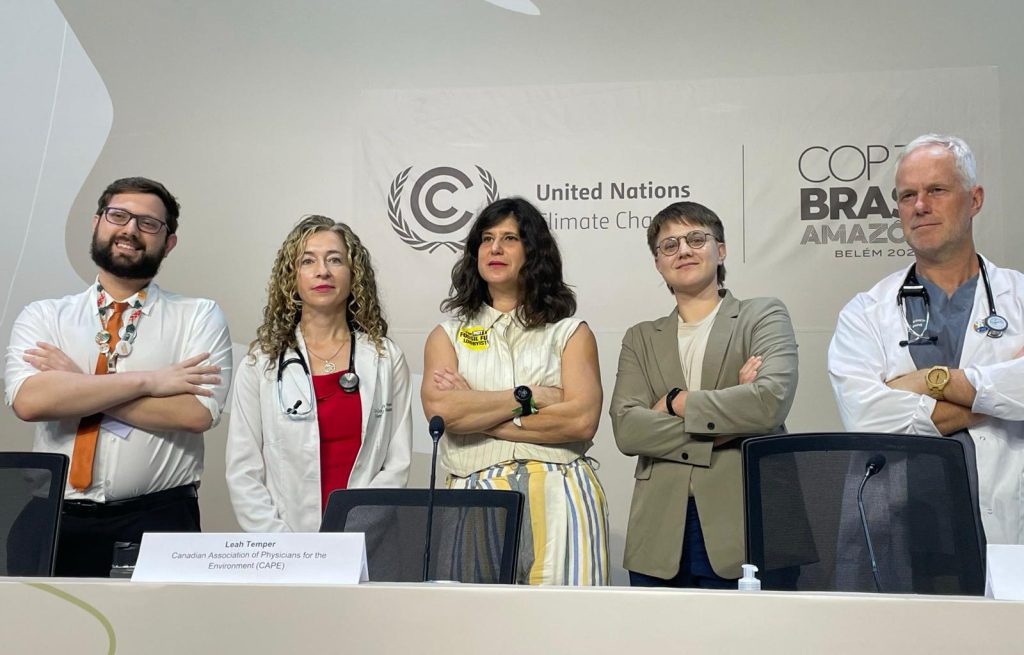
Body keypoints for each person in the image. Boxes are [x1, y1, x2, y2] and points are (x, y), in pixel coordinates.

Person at [4, 177, 232, 577]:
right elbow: (30, 402)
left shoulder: (198, 315)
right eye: (119, 216)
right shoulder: (44, 316)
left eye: (148, 223)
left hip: (159, 516)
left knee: (160, 622)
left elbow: (195, 414)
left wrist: (77, 383)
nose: (130, 229)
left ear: (169, 242)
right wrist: (150, 382)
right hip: (53, 517)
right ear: (97, 222)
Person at [829, 134, 1024, 546]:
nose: (920, 206)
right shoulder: (865, 313)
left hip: (1009, 521)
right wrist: (999, 401)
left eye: (936, 190)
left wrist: (929, 381)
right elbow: (867, 420)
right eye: (907, 195)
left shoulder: (1019, 298)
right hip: (902, 529)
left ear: (974, 200)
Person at [609, 201, 799, 588]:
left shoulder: (762, 315)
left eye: (696, 239)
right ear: (658, 263)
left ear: (721, 250)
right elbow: (628, 430)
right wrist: (733, 416)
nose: (683, 250)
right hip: (658, 532)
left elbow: (768, 403)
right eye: (669, 245)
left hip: (747, 523)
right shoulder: (640, 338)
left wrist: (674, 402)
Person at [421, 197, 610, 585]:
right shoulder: (447, 335)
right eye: (487, 239)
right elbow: (443, 413)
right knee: (473, 620)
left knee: (566, 619)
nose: (495, 248)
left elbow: (580, 420)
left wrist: (477, 415)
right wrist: (532, 396)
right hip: (474, 489)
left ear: (533, 251)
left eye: (509, 238)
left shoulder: (570, 333)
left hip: (561, 489)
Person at [226, 215, 412, 532]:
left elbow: (398, 462)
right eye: (307, 261)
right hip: (283, 541)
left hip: (365, 536)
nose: (322, 271)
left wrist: (353, 531)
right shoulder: (261, 363)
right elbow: (243, 470)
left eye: (335, 260)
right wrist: (281, 544)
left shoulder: (385, 358)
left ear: (354, 274)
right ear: (292, 277)